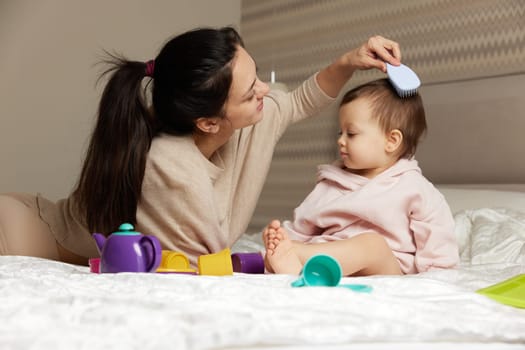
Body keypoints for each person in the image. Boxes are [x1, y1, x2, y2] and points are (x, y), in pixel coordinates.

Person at [0, 26, 402, 267]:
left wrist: (350, 61)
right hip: (32, 235)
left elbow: (298, 101)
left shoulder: (248, 119)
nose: (265, 91)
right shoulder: (170, 166)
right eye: (250, 92)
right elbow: (204, 265)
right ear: (209, 122)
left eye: (257, 74)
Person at [263, 78, 459, 276]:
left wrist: (436, 277)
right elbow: (303, 227)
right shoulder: (330, 183)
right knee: (285, 245)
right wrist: (279, 238)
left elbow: (439, 247)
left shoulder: (415, 188)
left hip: (386, 269)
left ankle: (297, 256)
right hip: (330, 258)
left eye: (352, 133)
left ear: (391, 141)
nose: (340, 140)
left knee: (373, 245)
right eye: (341, 132)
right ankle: (294, 261)